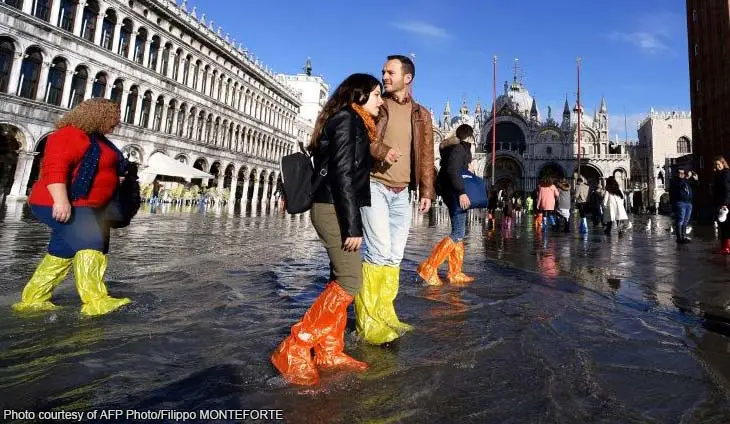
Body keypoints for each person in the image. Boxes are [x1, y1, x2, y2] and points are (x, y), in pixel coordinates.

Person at [270, 73, 383, 385]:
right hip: (334, 208)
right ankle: (295, 346)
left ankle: (330, 351)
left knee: (339, 277)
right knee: (350, 282)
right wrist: (352, 225)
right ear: (358, 95)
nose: (380, 101)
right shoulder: (348, 121)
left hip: (335, 206)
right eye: (376, 94)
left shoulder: (347, 121)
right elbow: (343, 174)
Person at [12, 99, 131, 316]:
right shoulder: (68, 135)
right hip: (61, 202)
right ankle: (96, 301)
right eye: (113, 117)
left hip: (88, 206)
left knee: (62, 252)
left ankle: (34, 298)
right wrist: (61, 200)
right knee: (92, 244)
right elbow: (55, 169)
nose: (117, 122)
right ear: (98, 116)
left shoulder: (99, 140)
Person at [355, 55, 435, 345]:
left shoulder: (421, 114)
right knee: (377, 252)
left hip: (403, 192)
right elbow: (362, 137)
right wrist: (381, 151)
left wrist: (426, 191)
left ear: (407, 78)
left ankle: (386, 313)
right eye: (383, 72)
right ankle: (367, 321)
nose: (384, 76)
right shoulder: (377, 104)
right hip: (374, 184)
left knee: (394, 255)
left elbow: (425, 154)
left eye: (390, 72)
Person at [417, 124, 475, 287]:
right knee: (457, 233)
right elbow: (452, 170)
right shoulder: (459, 149)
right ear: (470, 137)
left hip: (453, 192)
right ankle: (429, 268)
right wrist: (462, 191)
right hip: (456, 194)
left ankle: (455, 272)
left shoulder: (453, 148)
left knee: (459, 233)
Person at [713, 156, 730, 254]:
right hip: (721, 203)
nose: (717, 166)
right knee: (723, 225)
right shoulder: (719, 174)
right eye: (715, 164)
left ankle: (726, 247)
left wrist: (725, 204)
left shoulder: (726, 174)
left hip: (726, 204)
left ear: (723, 164)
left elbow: (727, 190)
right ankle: (724, 246)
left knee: (726, 225)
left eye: (718, 164)